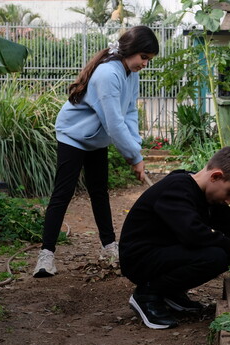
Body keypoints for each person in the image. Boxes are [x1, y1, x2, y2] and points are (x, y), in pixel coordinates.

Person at [33, 26, 159, 278]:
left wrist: (136, 148)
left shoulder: (130, 73)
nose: (145, 64)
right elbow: (113, 123)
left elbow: (130, 113)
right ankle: (45, 256)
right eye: (143, 57)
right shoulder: (107, 74)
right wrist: (134, 158)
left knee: (99, 192)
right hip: (74, 135)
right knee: (63, 193)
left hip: (97, 139)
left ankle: (109, 247)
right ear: (131, 51)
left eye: (149, 60)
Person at [119, 146, 230, 329]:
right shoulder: (177, 189)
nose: (229, 200)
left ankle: (170, 292)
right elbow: (193, 234)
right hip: (140, 259)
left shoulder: (206, 195)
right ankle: (147, 294)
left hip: (164, 252)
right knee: (215, 256)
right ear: (216, 176)